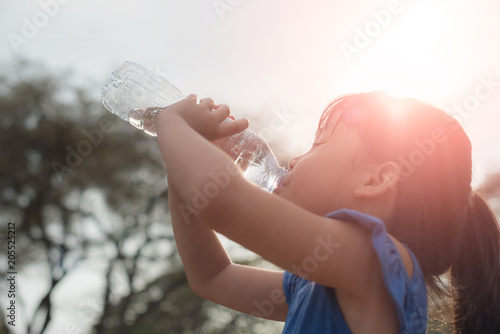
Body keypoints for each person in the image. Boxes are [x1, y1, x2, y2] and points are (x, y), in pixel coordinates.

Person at [155, 92, 500, 333]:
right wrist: (181, 167)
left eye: (317, 144)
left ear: (376, 180)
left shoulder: (378, 264)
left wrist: (170, 123)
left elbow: (221, 202)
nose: (293, 160)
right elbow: (212, 276)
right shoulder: (314, 282)